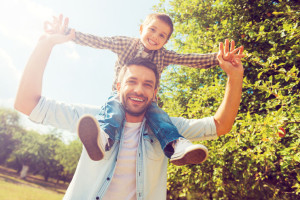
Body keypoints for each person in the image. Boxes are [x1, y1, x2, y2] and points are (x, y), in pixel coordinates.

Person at [14, 23, 244, 199]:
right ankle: (104, 138)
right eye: (132, 81)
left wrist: (234, 75)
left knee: (171, 135)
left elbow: (220, 125)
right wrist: (46, 43)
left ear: (155, 93)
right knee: (102, 127)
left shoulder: (165, 125)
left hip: (168, 133)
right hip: (99, 129)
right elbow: (26, 103)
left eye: (147, 84)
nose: (138, 90)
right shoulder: (91, 120)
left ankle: (177, 146)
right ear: (118, 86)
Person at [44, 14, 243, 165]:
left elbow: (187, 59)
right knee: (113, 108)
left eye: (162, 35)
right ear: (141, 29)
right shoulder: (125, 43)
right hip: (120, 96)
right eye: (152, 30)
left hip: (148, 100)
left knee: (159, 116)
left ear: (166, 41)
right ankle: (103, 138)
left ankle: (176, 145)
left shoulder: (164, 55)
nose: (155, 37)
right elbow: (100, 41)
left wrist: (216, 59)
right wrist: (71, 34)